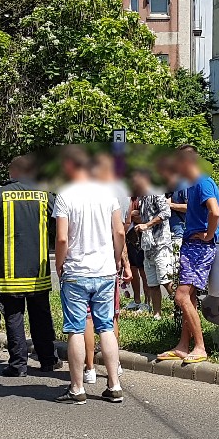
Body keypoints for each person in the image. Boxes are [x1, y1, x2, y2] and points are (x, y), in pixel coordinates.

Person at [54, 145, 128, 404]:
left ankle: (77, 389)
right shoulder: (109, 195)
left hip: (76, 272)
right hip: (105, 271)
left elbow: (62, 238)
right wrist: (118, 258)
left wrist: (59, 264)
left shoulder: (65, 196)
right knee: (106, 326)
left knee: (75, 329)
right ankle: (115, 385)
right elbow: (119, 233)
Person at [0, 155, 59, 378]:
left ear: (12, 173)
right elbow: (61, 225)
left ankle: (18, 364)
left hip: (9, 274)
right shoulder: (44, 196)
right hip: (38, 272)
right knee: (41, 315)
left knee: (14, 316)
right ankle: (48, 359)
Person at [157, 145, 219, 364]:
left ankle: (200, 347)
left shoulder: (202, 182)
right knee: (190, 298)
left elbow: (215, 211)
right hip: (191, 245)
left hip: (199, 247)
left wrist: (209, 234)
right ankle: (183, 346)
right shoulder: (195, 185)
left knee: (181, 296)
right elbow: (195, 210)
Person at [83, 152, 130, 382]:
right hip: (108, 267)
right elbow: (120, 232)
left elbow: (63, 237)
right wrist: (122, 261)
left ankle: (89, 368)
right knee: (111, 319)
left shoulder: (73, 196)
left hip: (80, 268)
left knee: (87, 320)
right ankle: (116, 365)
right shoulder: (116, 196)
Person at [131, 168, 174, 318]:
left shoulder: (156, 192)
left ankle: (181, 310)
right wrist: (138, 220)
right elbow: (146, 218)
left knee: (166, 280)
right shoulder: (142, 198)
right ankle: (157, 314)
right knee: (153, 283)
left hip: (161, 244)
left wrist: (147, 225)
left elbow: (166, 212)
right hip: (148, 246)